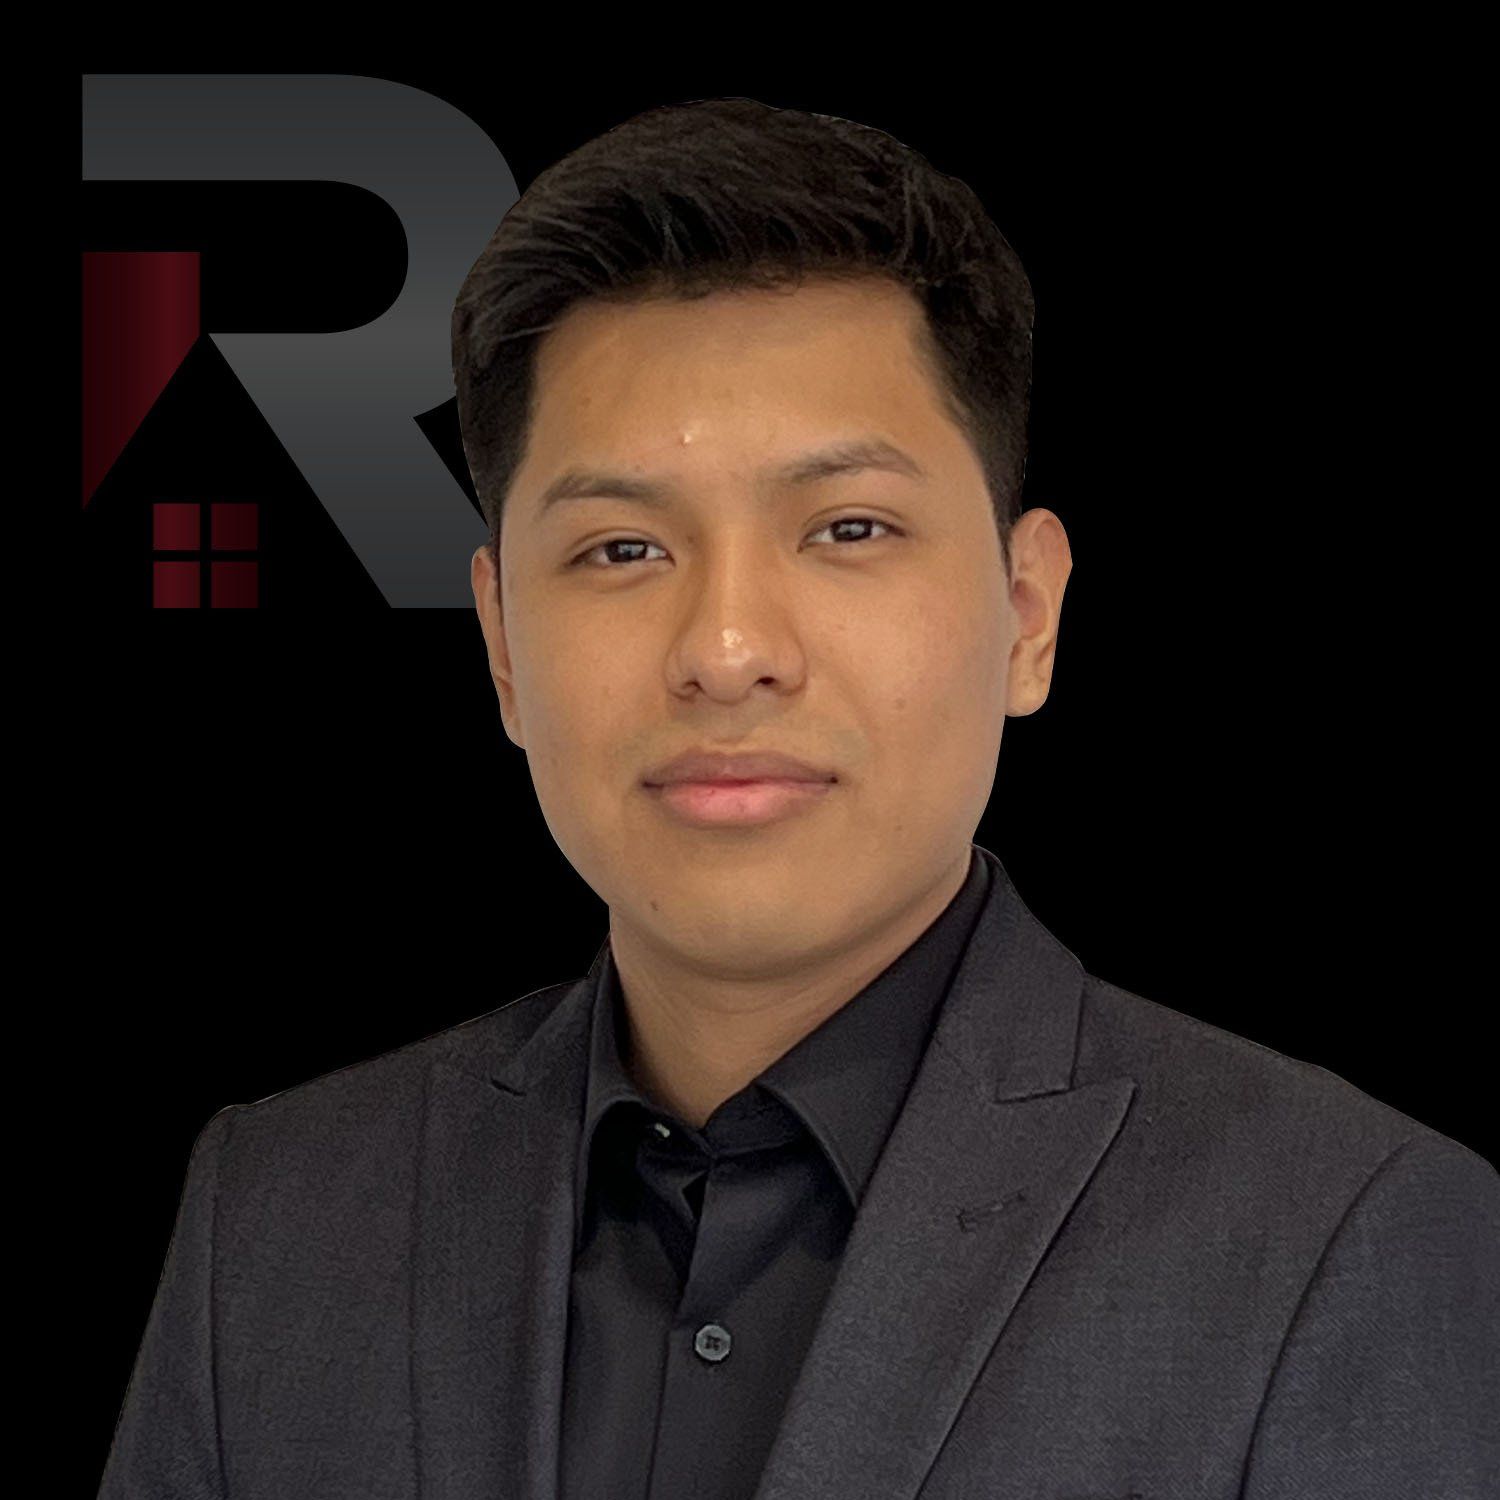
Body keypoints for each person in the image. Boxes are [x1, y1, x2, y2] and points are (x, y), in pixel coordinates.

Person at [99, 97, 1498, 1500]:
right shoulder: (274, 1218)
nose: (726, 651)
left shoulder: (1346, 1232)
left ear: (1026, 615)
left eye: (847, 528)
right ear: (503, 647)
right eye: (622, 548)